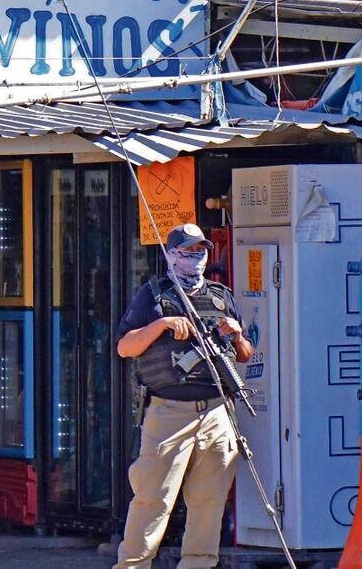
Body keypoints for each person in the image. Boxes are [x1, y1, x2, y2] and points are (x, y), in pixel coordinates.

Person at [114, 223, 253, 569]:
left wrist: (236, 336)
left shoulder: (221, 296)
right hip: (168, 413)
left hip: (218, 413)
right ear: (171, 255)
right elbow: (124, 347)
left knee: (210, 501)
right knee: (153, 500)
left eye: (200, 250)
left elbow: (246, 353)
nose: (196, 257)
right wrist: (161, 325)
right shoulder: (153, 295)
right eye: (188, 251)